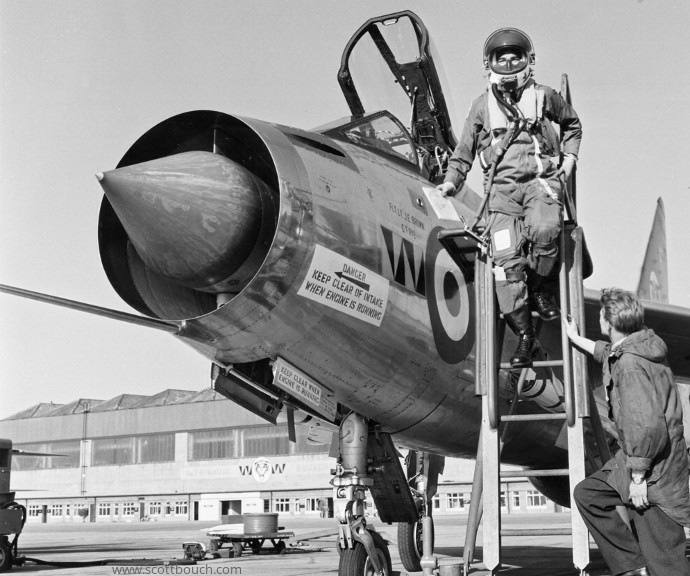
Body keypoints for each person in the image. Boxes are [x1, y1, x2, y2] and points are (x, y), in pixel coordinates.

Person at [437, 28, 582, 368]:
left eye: (514, 56)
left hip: (538, 185)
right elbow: (463, 154)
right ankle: (525, 334)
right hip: (501, 196)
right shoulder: (481, 107)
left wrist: (570, 160)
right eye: (501, 57)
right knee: (505, 267)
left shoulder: (544, 97)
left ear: (528, 60)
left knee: (546, 229)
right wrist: (450, 183)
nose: (508, 61)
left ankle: (541, 287)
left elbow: (572, 124)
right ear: (489, 63)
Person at [565, 288, 690, 576]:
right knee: (588, 495)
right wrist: (576, 339)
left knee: (665, 560)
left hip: (656, 471)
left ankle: (643, 568)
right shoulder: (637, 348)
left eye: (600, 317)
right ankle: (633, 569)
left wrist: (637, 479)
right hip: (643, 460)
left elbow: (646, 427)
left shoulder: (630, 366)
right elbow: (608, 352)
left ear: (609, 323)